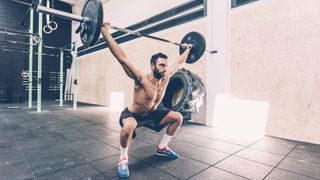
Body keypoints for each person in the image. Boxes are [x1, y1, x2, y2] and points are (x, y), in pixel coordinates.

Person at [101, 22, 191, 178]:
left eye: (165, 65)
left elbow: (179, 63)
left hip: (153, 112)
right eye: (161, 65)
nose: (164, 68)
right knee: (128, 128)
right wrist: (105, 32)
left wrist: (188, 49)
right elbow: (122, 58)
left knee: (178, 118)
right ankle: (123, 158)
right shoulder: (140, 78)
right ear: (152, 65)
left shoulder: (166, 77)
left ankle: (162, 147)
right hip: (133, 114)